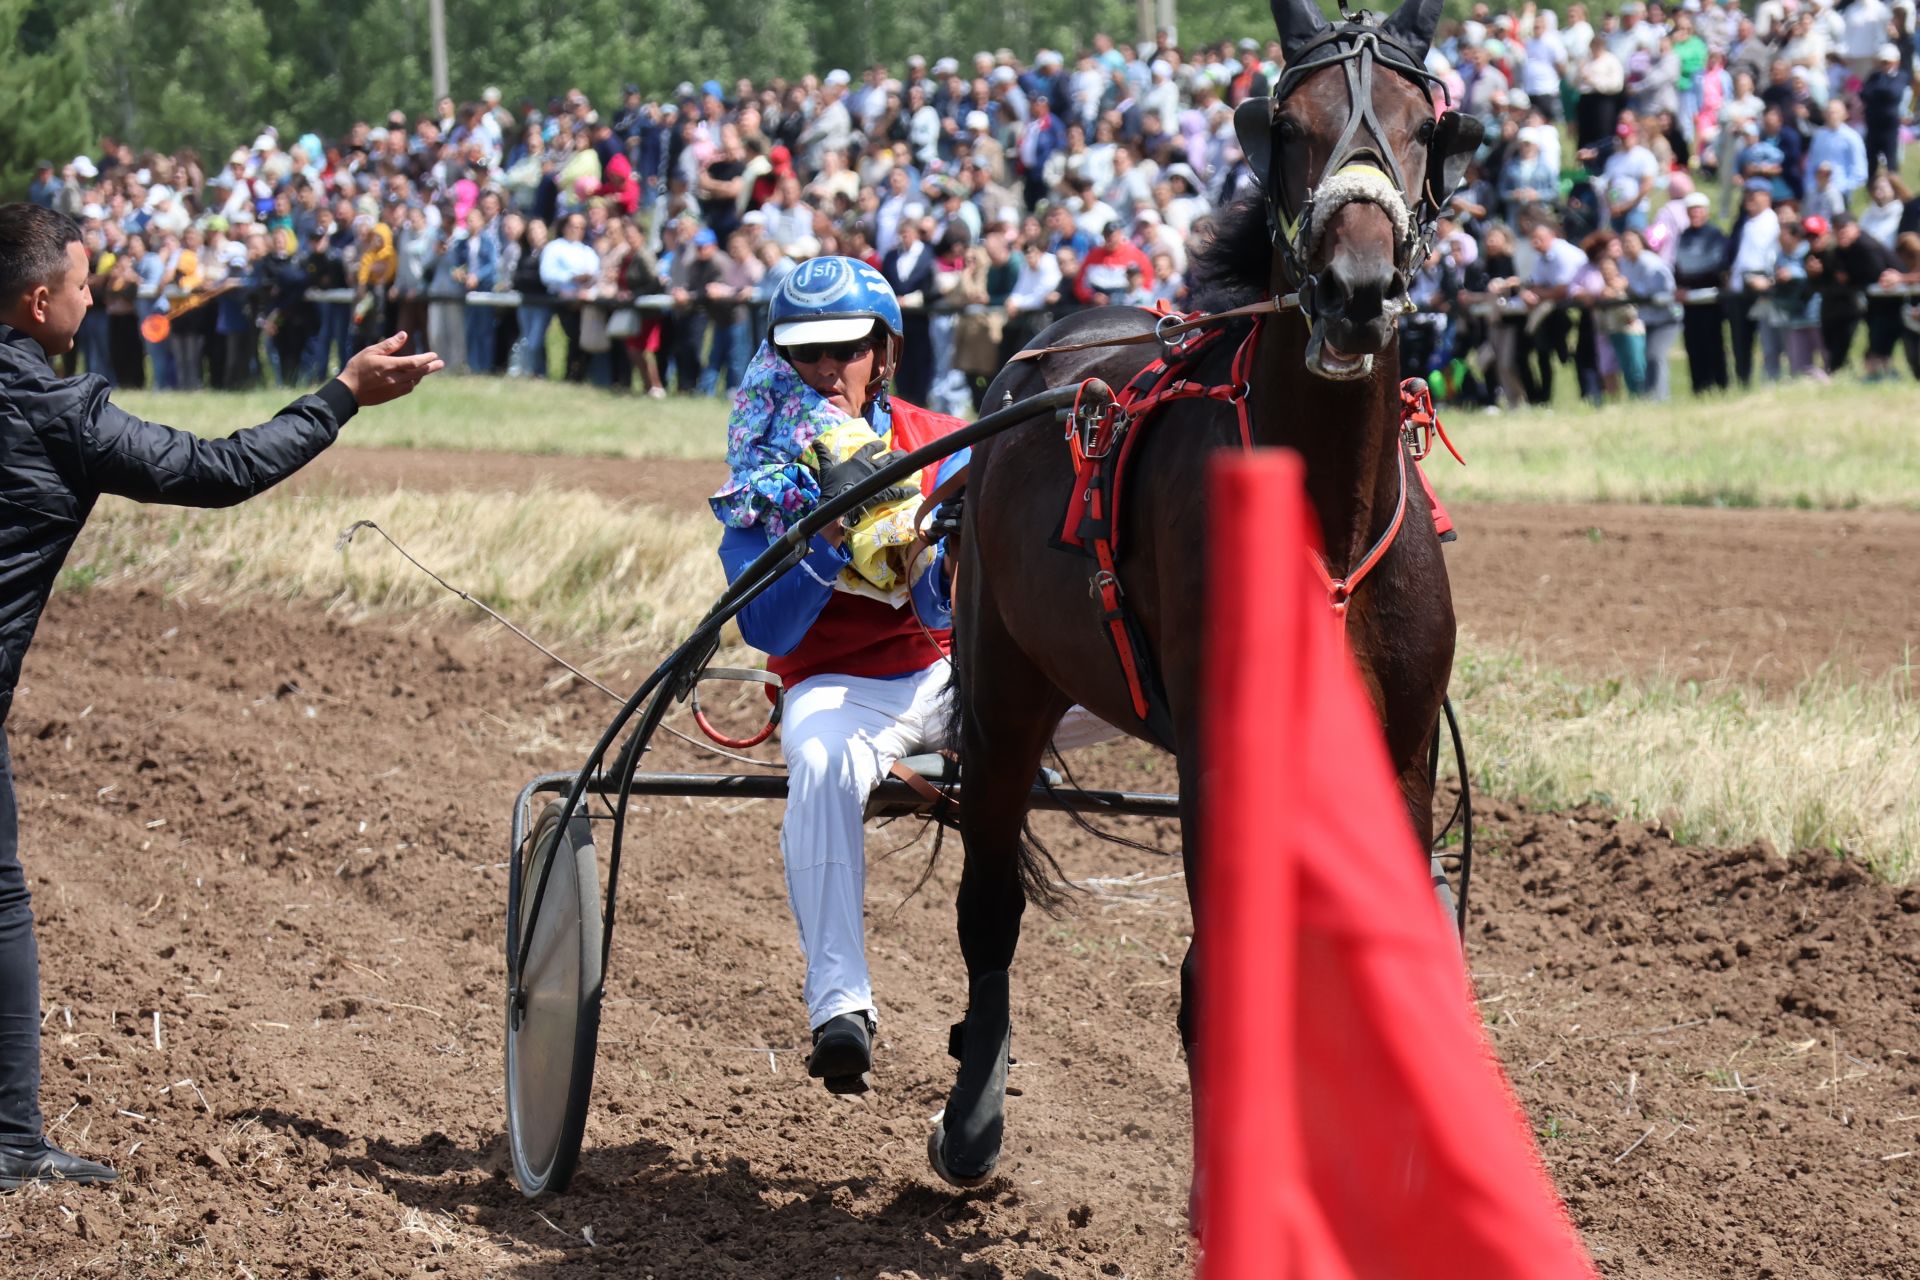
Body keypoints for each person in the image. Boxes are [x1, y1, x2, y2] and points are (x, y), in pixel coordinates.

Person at [0, 203, 442, 1188]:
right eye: (81, 283)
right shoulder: (59, 413)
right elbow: (223, 469)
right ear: (39, 302)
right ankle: (14, 1141)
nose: (93, 294)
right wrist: (341, 396)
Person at [708, 257, 962, 1093]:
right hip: (837, 690)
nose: (825, 368)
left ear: (884, 351)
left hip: (954, 677)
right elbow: (764, 625)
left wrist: (940, 558)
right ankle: (840, 1010)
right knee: (816, 762)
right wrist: (826, 529)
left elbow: (949, 608)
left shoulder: (947, 444)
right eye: (805, 352)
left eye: (845, 349)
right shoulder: (762, 476)